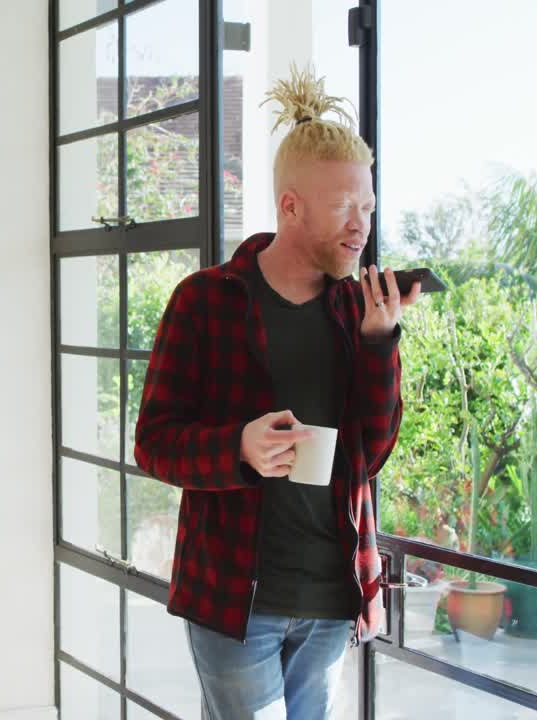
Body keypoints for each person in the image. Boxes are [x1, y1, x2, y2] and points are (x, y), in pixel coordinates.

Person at [132, 64, 422, 719]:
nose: (361, 225)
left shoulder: (357, 312)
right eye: (344, 206)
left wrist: (381, 344)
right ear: (290, 206)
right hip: (236, 600)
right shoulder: (205, 302)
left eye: (368, 207)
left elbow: (371, 456)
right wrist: (239, 447)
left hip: (332, 599)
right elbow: (153, 444)